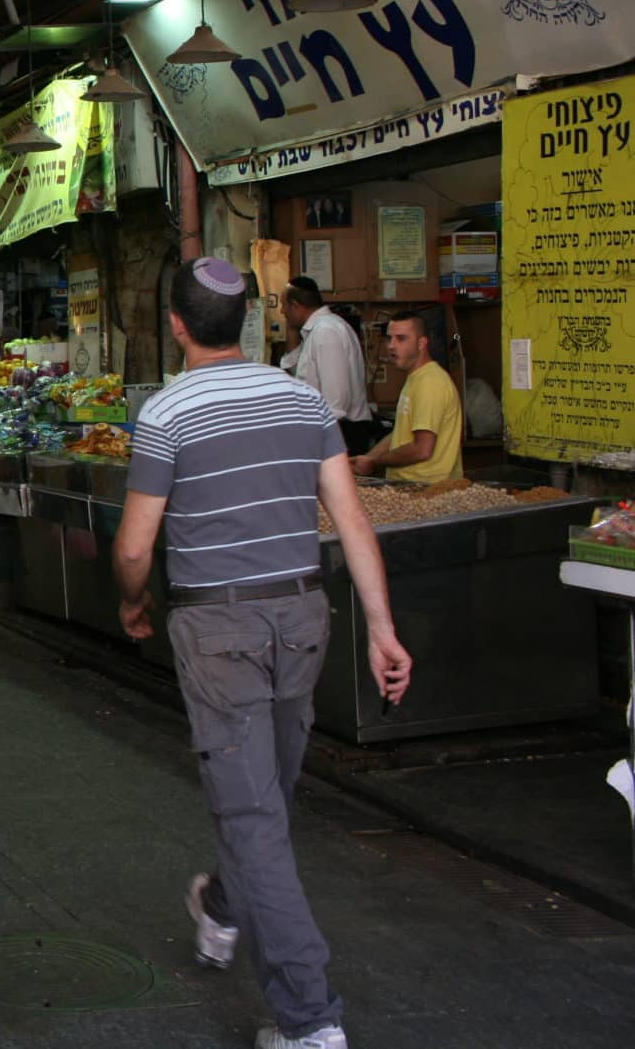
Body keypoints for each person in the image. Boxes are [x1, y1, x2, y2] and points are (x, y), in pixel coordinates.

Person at [113, 258, 412, 1049]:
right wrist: (380, 627)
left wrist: (131, 600)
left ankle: (309, 1021)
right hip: (302, 617)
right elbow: (349, 520)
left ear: (176, 325)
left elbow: (135, 545)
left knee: (253, 814)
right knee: (264, 796)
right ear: (247, 321)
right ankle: (221, 906)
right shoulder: (300, 399)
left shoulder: (166, 413)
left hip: (218, 631)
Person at [351, 314, 463, 484]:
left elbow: (422, 450)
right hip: (410, 486)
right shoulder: (416, 378)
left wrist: (377, 462)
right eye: (389, 338)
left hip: (428, 489)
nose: (391, 345)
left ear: (421, 343)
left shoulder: (430, 382)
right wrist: (369, 459)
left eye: (401, 338)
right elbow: (400, 434)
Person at [278, 278, 373, 454]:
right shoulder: (316, 330)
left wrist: (325, 447)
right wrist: (291, 329)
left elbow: (336, 401)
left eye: (284, 305)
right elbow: (296, 370)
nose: (282, 311)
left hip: (341, 432)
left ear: (296, 306)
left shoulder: (327, 332)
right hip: (331, 429)